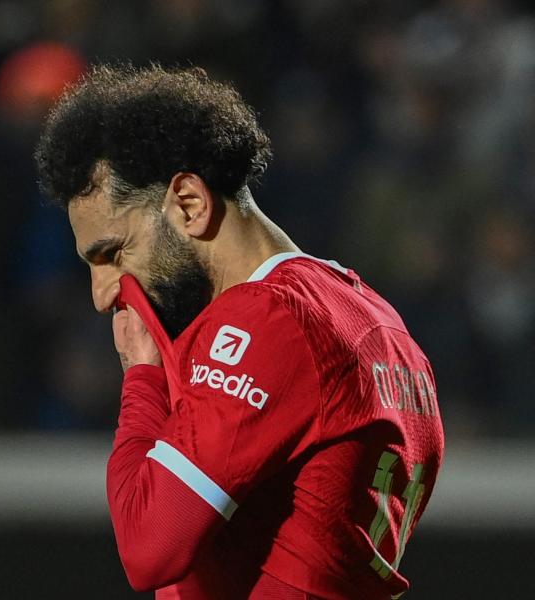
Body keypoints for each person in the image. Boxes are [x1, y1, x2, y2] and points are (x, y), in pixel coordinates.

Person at [33, 65, 445, 600]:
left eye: (113, 253)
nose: (102, 292)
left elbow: (148, 546)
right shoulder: (380, 321)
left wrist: (142, 377)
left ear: (189, 204)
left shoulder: (269, 319)